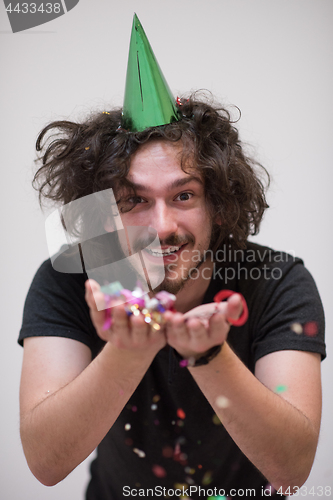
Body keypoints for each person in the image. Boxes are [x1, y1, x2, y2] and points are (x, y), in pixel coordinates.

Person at [18, 15, 326, 500]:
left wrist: (206, 352)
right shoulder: (72, 276)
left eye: (183, 196)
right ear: (106, 215)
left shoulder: (275, 280)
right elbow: (44, 462)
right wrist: (130, 348)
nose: (161, 226)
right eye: (134, 200)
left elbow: (291, 472)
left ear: (218, 203)